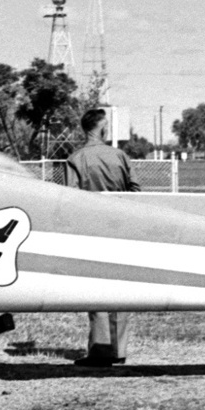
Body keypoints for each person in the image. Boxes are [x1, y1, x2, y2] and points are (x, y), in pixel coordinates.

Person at [64, 107, 139, 366]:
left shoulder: (76, 158)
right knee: (122, 290)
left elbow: (70, 198)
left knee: (97, 290)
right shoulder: (120, 156)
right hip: (121, 229)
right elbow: (136, 191)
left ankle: (100, 350)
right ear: (104, 128)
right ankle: (118, 349)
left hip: (90, 230)